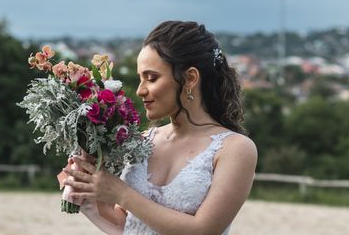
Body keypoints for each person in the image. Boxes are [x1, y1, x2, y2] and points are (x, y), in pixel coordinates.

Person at [62, 21, 258, 234]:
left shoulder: (235, 149)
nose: (140, 90)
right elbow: (128, 226)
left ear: (190, 78)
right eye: (140, 78)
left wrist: (121, 193)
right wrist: (89, 187)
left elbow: (204, 230)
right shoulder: (143, 141)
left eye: (151, 78)